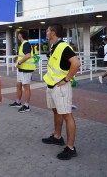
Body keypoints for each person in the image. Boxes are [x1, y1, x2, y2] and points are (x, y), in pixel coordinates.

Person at [41, 24, 81, 160]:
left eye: (47, 30)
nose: (46, 32)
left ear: (53, 32)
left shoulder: (64, 47)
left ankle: (70, 148)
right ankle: (57, 137)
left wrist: (67, 79)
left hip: (61, 87)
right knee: (56, 111)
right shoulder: (54, 46)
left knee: (67, 115)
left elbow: (76, 63)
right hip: (52, 85)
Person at [9, 29, 35, 113]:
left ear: (20, 35)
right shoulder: (23, 44)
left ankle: (26, 105)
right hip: (22, 69)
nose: (17, 36)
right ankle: (18, 102)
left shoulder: (26, 44)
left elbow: (28, 55)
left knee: (26, 87)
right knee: (18, 85)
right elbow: (24, 54)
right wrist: (17, 56)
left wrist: (19, 62)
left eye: (18, 35)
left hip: (26, 69)